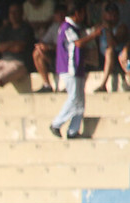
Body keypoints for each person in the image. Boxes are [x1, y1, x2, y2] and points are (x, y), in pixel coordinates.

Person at [50, 0, 104, 139]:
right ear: (77, 13)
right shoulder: (67, 27)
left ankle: (73, 130)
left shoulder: (75, 28)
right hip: (69, 68)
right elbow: (78, 43)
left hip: (77, 68)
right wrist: (93, 35)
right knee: (74, 98)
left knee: (80, 100)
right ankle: (56, 123)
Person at [94, 2, 129, 92]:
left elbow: (112, 43)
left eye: (114, 14)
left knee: (109, 51)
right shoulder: (99, 26)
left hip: (119, 56)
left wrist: (108, 29)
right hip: (102, 57)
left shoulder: (121, 27)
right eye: (109, 14)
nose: (112, 17)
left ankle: (103, 85)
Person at [33, 3, 66, 92]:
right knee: (37, 53)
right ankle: (47, 85)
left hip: (66, 59)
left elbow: (65, 47)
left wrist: (49, 47)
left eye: (60, 13)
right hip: (54, 58)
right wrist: (41, 46)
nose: (58, 16)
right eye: (57, 13)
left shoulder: (68, 26)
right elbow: (44, 41)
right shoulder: (54, 27)